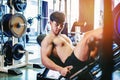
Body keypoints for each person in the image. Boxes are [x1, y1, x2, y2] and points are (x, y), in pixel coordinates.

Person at [41, 11, 103, 77]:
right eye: (56, 25)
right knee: (87, 36)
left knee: (96, 40)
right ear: (50, 23)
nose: (59, 27)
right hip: (72, 63)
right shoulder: (48, 39)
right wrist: (60, 69)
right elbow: (44, 60)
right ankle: (112, 27)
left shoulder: (63, 36)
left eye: (62, 25)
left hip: (78, 57)